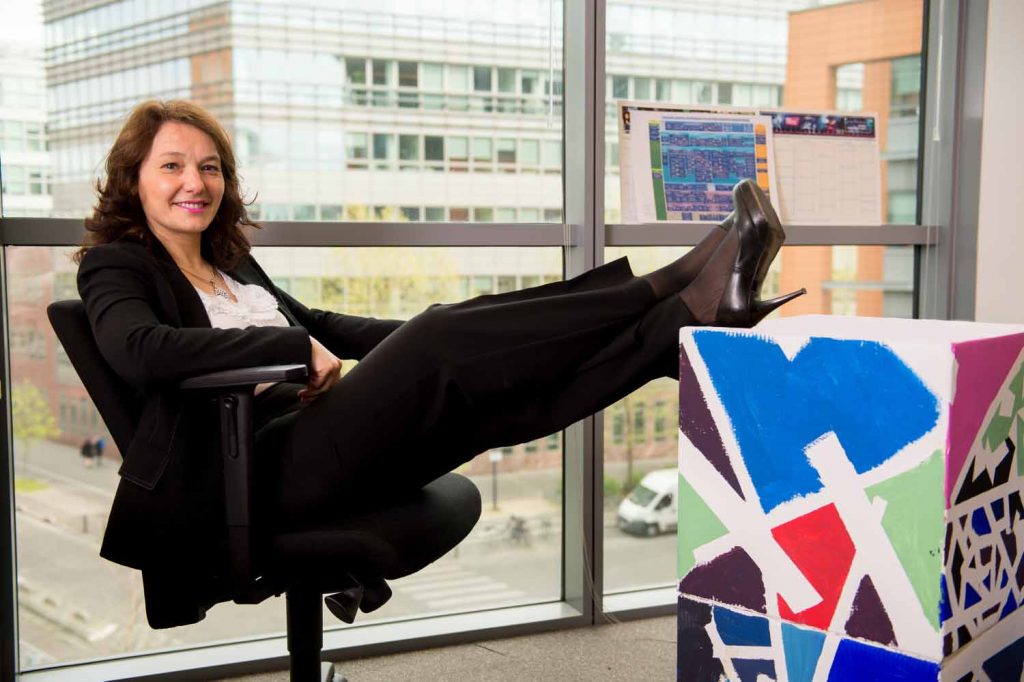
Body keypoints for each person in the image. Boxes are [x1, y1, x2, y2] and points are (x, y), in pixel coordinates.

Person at [75, 99, 804, 628]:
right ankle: (671, 288)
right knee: (443, 338)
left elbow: (324, 325)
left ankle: (671, 331)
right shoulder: (116, 266)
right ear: (134, 178)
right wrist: (296, 348)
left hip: (313, 439)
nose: (193, 182)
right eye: (170, 166)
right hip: (247, 472)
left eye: (208, 167)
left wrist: (420, 349)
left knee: (490, 391)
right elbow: (139, 352)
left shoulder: (229, 264)